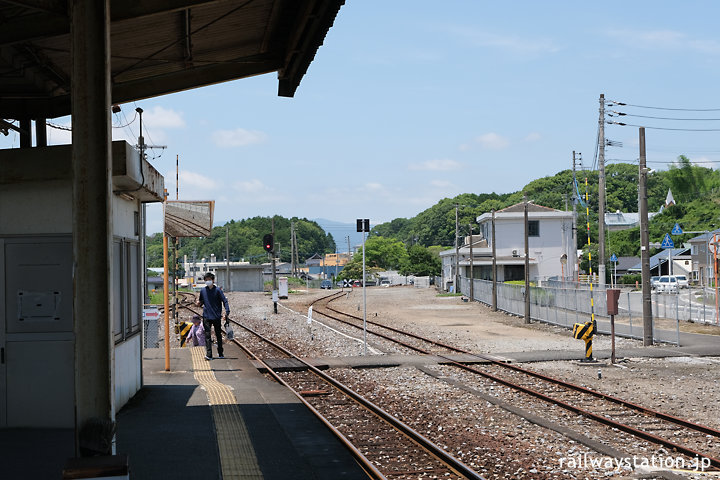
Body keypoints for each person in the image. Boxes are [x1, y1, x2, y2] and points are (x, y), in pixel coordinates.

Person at [195, 272, 230, 360]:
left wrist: (227, 312)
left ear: (213, 280)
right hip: (206, 316)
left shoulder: (218, 290)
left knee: (218, 334)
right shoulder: (203, 290)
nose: (208, 281)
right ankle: (209, 354)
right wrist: (199, 303)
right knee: (207, 335)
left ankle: (220, 352)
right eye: (206, 280)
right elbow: (201, 301)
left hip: (216, 316)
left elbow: (224, 301)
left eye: (209, 280)